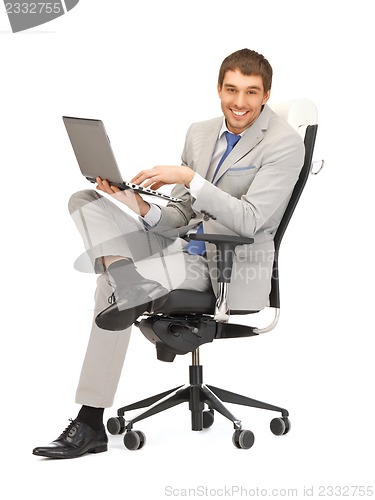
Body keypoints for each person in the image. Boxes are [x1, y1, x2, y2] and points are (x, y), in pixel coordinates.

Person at [33, 48, 304, 459]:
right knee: (85, 198)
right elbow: (179, 215)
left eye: (251, 92)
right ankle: (128, 281)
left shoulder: (285, 144)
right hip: (178, 244)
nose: (239, 102)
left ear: (266, 94)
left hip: (222, 264)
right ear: (218, 88)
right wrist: (137, 204)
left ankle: (90, 423)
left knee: (107, 285)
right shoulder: (200, 132)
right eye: (231, 89)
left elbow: (249, 220)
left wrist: (192, 179)